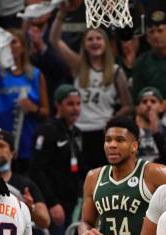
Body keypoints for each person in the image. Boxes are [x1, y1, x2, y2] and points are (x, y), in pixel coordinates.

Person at [50, 5, 132, 172]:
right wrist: (62, 13)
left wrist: (111, 120)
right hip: (78, 130)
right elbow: (55, 40)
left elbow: (128, 105)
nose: (94, 42)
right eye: (90, 39)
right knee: (81, 175)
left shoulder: (116, 71)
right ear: (84, 44)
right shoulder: (78, 65)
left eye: (98, 38)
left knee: (103, 174)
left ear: (106, 43)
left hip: (103, 132)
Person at [29, 84, 83, 235]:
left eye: (78, 104)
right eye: (70, 104)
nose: (75, 108)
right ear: (58, 105)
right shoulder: (47, 130)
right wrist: (51, 203)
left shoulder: (76, 132)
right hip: (54, 204)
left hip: (72, 203)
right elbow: (36, 170)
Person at [0, 28, 50, 171]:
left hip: (25, 137)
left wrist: (33, 108)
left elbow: (46, 111)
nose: (9, 47)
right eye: (6, 43)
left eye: (13, 42)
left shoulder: (36, 75)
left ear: (23, 46)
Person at [135, 86, 166, 165]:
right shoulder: (131, 131)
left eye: (153, 101)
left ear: (161, 107)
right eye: (144, 102)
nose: (148, 104)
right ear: (138, 108)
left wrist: (156, 132)